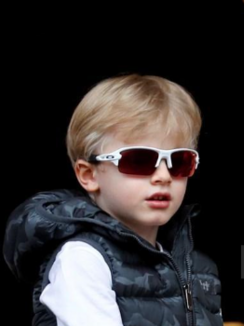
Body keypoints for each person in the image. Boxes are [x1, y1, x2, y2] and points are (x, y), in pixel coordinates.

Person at [3, 74, 223, 326]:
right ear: (89, 174)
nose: (163, 176)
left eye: (180, 161)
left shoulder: (199, 268)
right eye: (139, 160)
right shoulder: (83, 260)